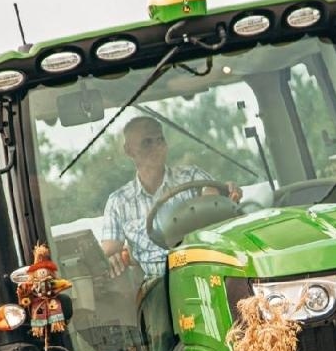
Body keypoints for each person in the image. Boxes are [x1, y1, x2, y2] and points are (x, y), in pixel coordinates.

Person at [101, 115, 239, 276]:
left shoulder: (192, 177)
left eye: (160, 140)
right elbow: (108, 251)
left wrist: (227, 192)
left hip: (204, 270)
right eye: (147, 142)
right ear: (129, 150)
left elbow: (216, 203)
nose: (157, 146)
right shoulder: (119, 202)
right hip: (158, 284)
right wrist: (110, 259)